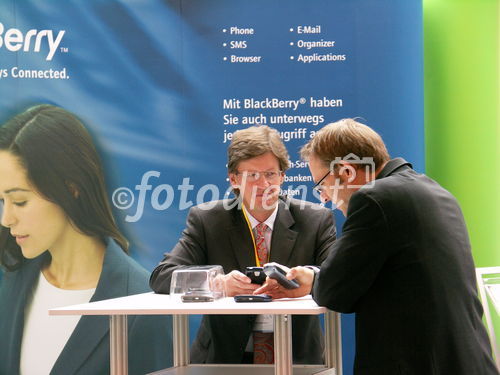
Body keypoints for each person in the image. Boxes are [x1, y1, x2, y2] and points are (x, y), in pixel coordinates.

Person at [258, 118, 499, 374]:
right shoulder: (436, 192)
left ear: (346, 171)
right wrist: (316, 276)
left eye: (322, 185)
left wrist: (316, 279)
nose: (325, 197)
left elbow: (334, 292)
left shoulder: (374, 199)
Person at [0, 104, 172, 375]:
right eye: (2, 201)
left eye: (20, 201)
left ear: (71, 188)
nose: (6, 218)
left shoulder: (141, 306)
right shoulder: (13, 280)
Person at [150, 125, 336, 364]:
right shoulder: (208, 219)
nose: (262, 184)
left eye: (270, 174)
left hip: (296, 356)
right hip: (223, 357)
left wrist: (308, 277)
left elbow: (337, 277)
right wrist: (217, 285)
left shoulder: (315, 219)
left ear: (282, 176)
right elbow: (162, 276)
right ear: (234, 179)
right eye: (252, 176)